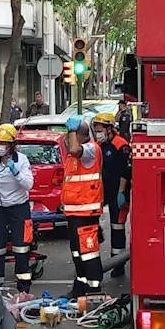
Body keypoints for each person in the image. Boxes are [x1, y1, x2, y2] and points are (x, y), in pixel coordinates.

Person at [0, 124, 35, 299]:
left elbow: (28, 184)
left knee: (21, 248)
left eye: (3, 143)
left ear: (12, 145)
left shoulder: (22, 160)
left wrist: (15, 171)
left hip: (19, 207)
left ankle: (24, 287)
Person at [62, 114, 104, 296]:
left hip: (86, 213)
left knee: (89, 254)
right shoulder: (74, 158)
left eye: (70, 133)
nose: (67, 136)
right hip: (74, 213)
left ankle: (93, 291)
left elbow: (73, 148)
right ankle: (79, 289)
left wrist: (73, 129)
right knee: (78, 253)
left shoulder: (90, 150)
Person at [92, 112, 132, 278]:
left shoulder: (120, 145)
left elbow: (125, 170)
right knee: (93, 225)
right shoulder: (98, 145)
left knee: (117, 227)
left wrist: (122, 192)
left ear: (109, 128)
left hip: (118, 192)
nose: (97, 132)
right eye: (96, 129)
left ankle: (118, 263)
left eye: (100, 129)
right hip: (102, 191)